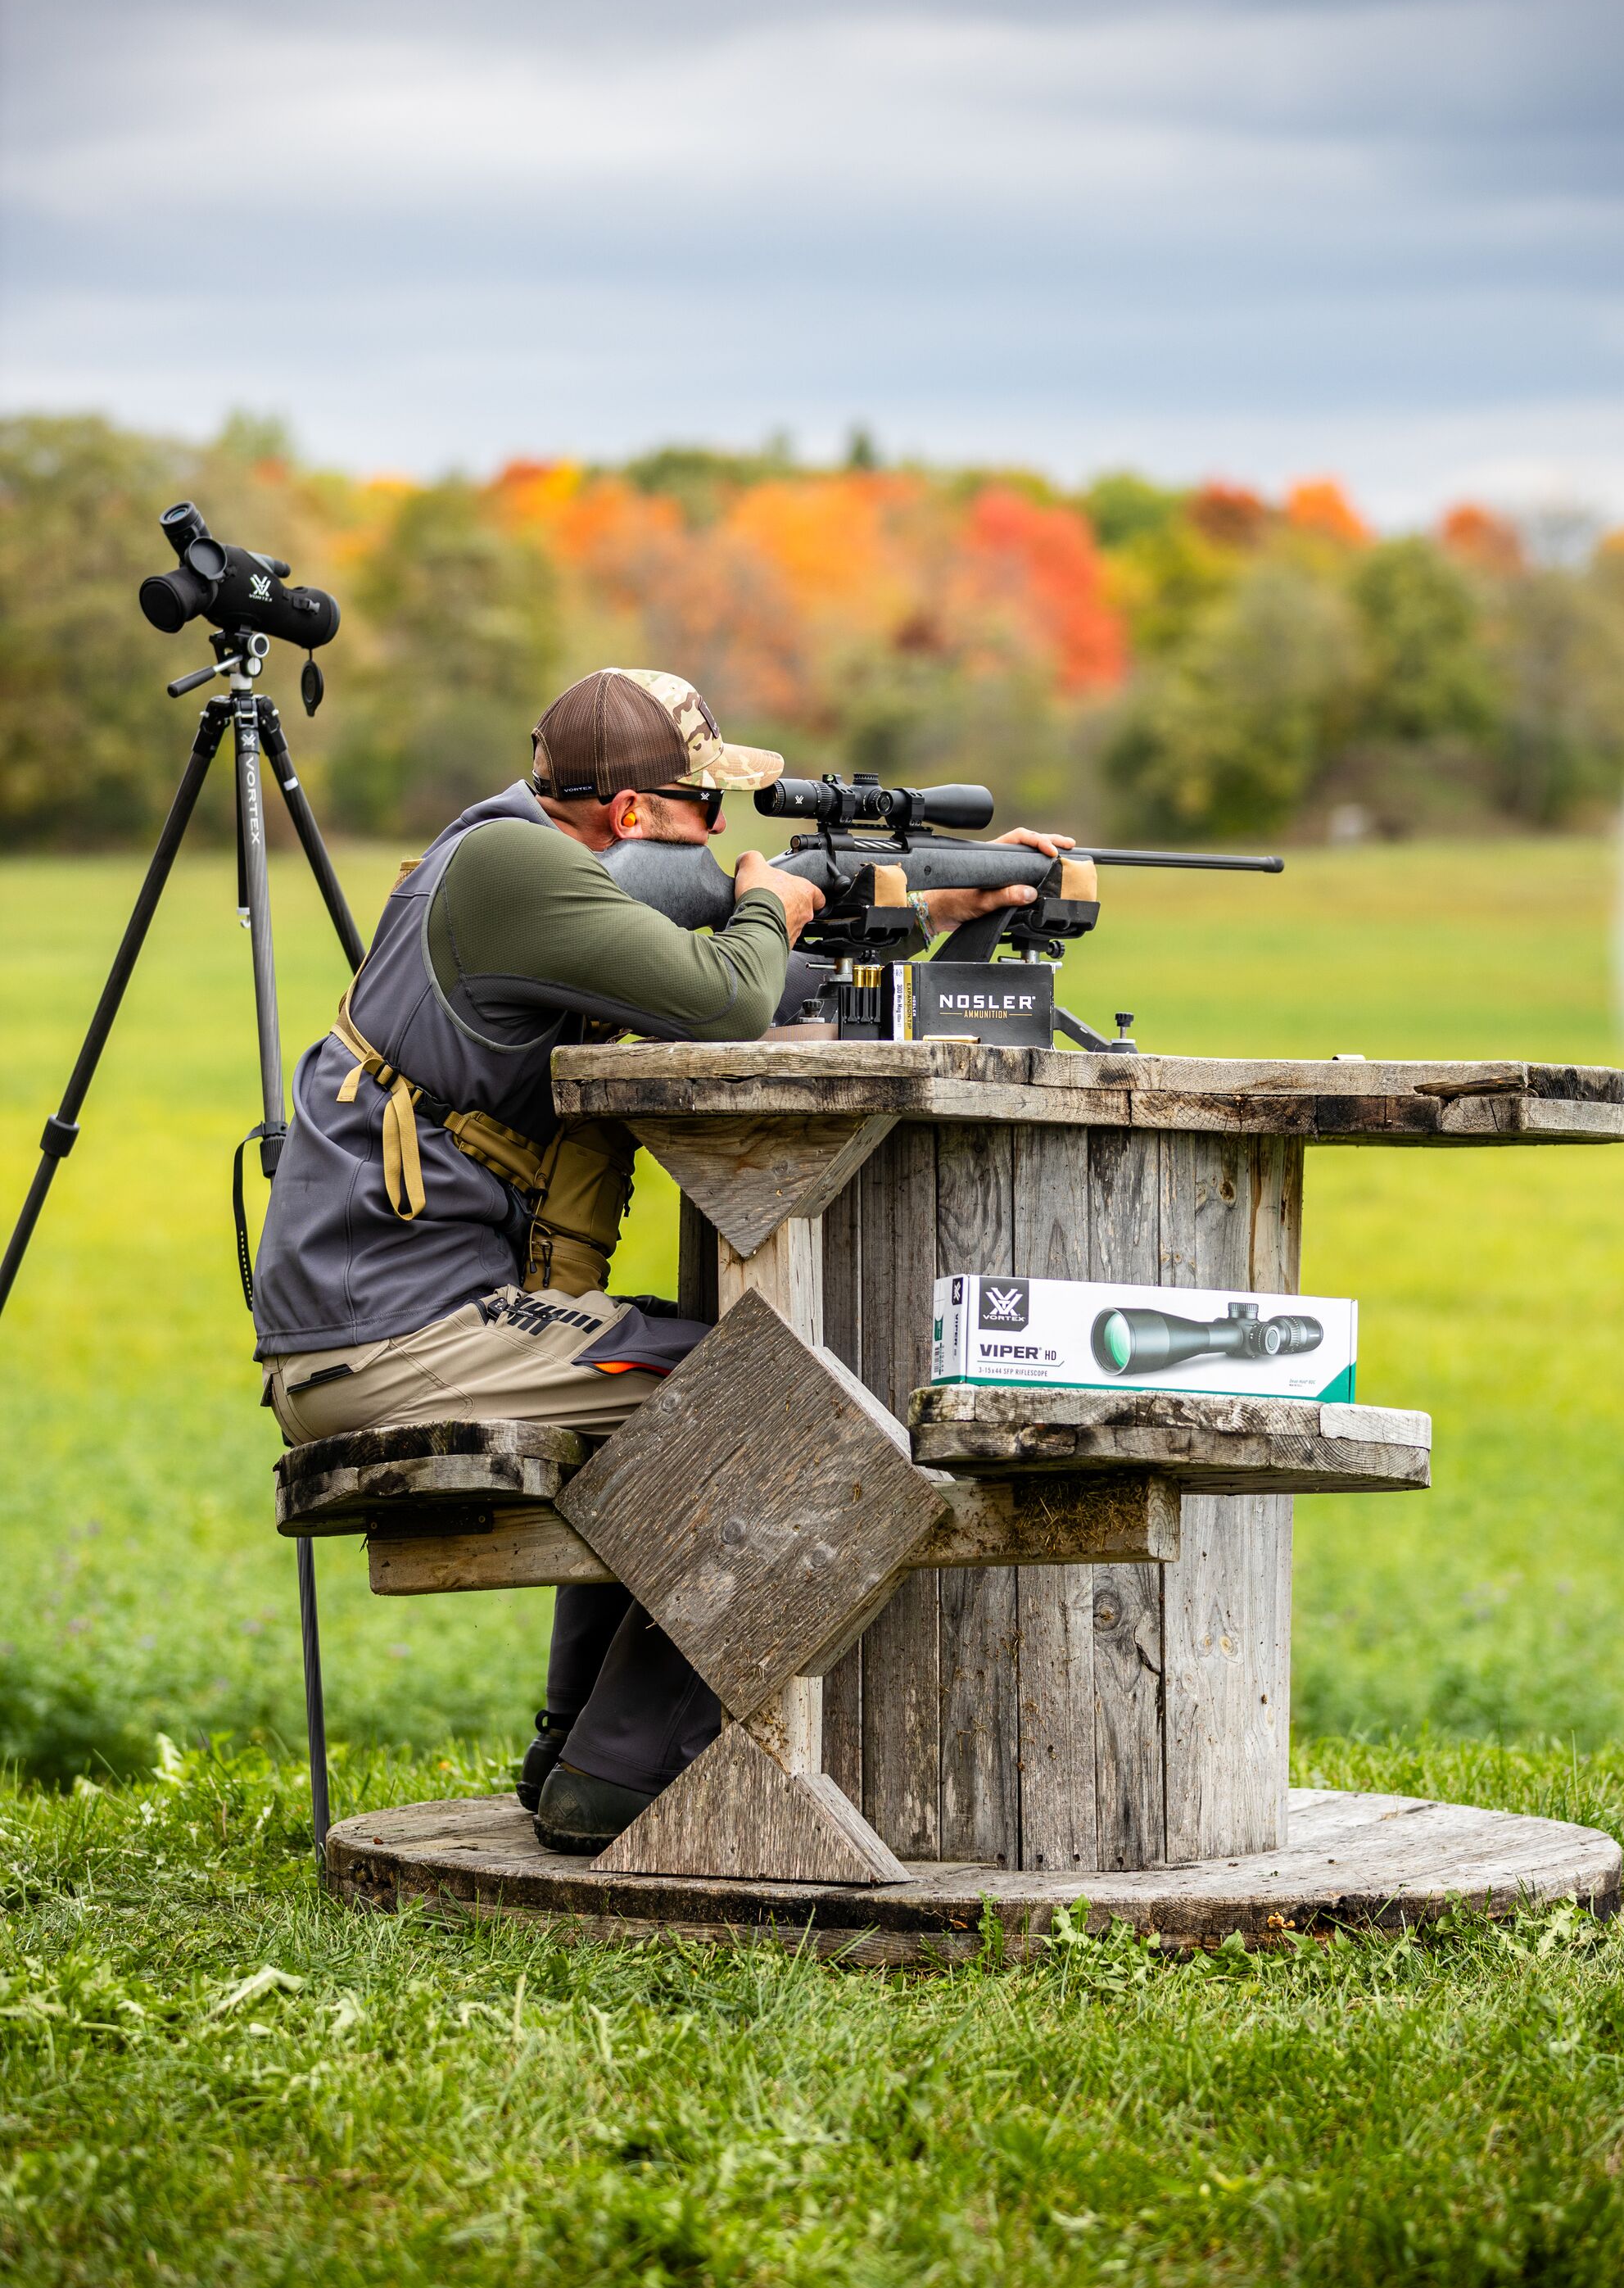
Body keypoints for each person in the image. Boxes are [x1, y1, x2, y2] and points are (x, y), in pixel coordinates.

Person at [253, 664, 1070, 1853]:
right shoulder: (514, 868)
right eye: (707, 811)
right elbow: (731, 995)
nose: (726, 835)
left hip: (398, 1320)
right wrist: (772, 894)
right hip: (388, 1342)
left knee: (711, 1371)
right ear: (633, 818)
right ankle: (618, 1775)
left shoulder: (524, 867)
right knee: (787, 1418)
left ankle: (575, 1746)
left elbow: (760, 985)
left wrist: (940, 902)